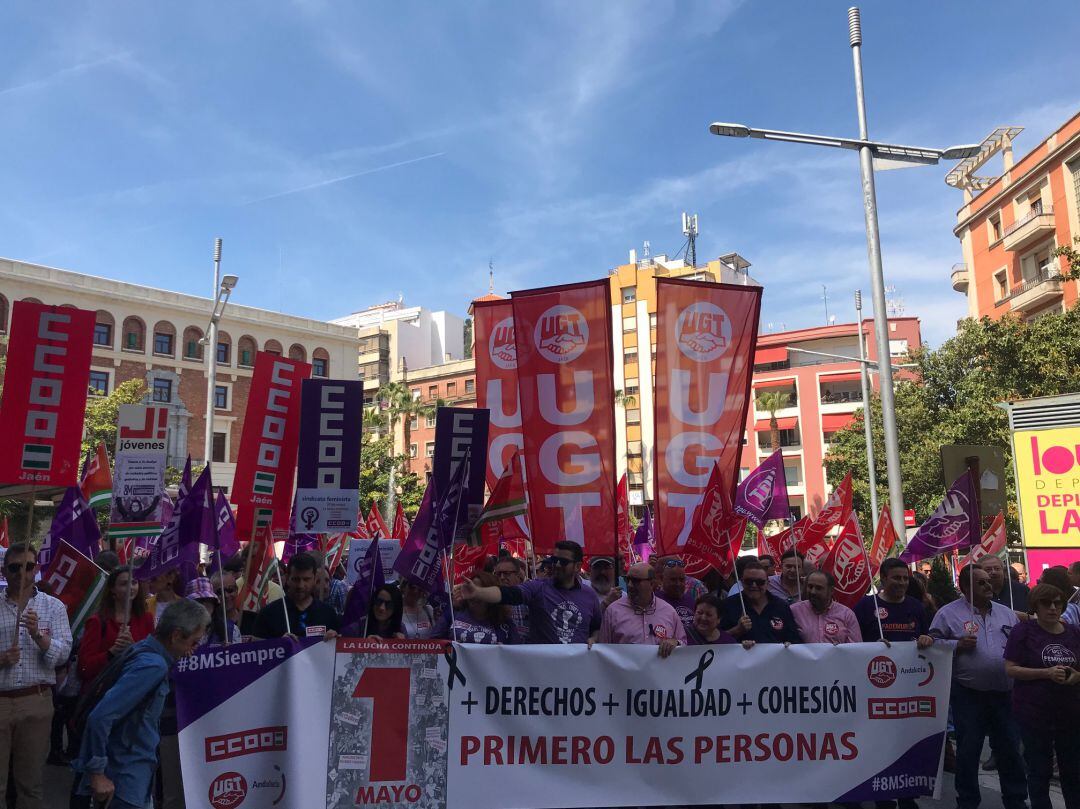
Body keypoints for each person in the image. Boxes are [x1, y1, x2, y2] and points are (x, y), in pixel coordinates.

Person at [72, 600, 208, 809]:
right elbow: (100, 716)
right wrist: (97, 773)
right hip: (124, 779)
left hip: (132, 777)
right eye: (194, 642)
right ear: (176, 635)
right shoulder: (152, 666)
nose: (194, 650)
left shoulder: (144, 649)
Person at [930, 566, 1027, 809]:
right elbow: (932, 644)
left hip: (1005, 694)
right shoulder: (947, 614)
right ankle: (968, 801)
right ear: (965, 587)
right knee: (969, 750)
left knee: (1010, 749)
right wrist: (956, 645)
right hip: (968, 695)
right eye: (981, 583)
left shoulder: (1007, 614)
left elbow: (1020, 644)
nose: (988, 586)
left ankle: (1015, 800)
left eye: (988, 581)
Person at [0, 542, 73, 808]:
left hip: (36, 700)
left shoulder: (54, 607)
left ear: (37, 568)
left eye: (28, 566)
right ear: (4, 571)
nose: (22, 572)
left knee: (30, 785)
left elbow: (64, 654)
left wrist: (38, 636)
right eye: (15, 567)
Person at [1003, 584, 1080, 809]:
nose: (1053, 608)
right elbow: (1011, 669)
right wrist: (1045, 673)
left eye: (1058, 603)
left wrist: (1077, 676)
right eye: (1046, 603)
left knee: (1073, 770)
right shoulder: (1023, 631)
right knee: (1039, 770)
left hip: (1070, 712)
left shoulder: (1074, 632)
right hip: (1034, 712)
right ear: (1035, 606)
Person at [457, 541, 602, 645]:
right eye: (555, 560)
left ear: (577, 566)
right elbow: (508, 594)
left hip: (577, 670)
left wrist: (594, 638)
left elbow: (596, 627)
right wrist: (478, 592)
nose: (557, 565)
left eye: (563, 562)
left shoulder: (590, 595)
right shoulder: (538, 588)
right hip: (541, 670)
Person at [597, 563, 685, 656]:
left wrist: (676, 643)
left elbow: (684, 643)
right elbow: (603, 651)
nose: (630, 585)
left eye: (636, 581)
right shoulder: (613, 611)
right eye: (627, 580)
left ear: (652, 584)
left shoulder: (669, 611)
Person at [252, 552, 340, 639]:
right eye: (296, 579)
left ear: (314, 579)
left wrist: (335, 639)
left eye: (306, 579)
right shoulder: (268, 614)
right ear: (287, 578)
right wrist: (278, 643)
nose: (300, 585)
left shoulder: (328, 614)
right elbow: (256, 645)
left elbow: (341, 645)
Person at [856, 558, 935, 649]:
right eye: (896, 578)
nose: (902, 583)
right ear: (883, 578)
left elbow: (928, 636)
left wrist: (927, 639)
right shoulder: (865, 605)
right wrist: (873, 647)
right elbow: (854, 643)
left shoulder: (916, 606)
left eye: (905, 578)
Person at [721, 559, 800, 644]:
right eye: (749, 581)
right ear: (742, 582)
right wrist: (736, 630)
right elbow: (715, 640)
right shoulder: (728, 605)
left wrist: (788, 644)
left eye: (760, 582)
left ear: (768, 583)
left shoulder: (781, 606)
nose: (754, 585)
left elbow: (794, 639)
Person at [791, 571, 862, 644]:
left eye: (818, 588)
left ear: (831, 591)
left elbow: (856, 647)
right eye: (810, 587)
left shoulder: (847, 615)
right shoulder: (794, 611)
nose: (813, 592)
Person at [450, 572, 518, 644]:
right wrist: (450, 644)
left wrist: (502, 648)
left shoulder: (505, 621)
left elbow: (516, 648)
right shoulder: (453, 612)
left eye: (479, 591)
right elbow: (440, 640)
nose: (473, 596)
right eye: (470, 590)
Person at [185, 577, 240, 646]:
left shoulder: (231, 630)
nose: (203, 606)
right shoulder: (177, 632)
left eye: (208, 601)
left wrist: (230, 651)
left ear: (214, 605)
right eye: (199, 601)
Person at [492, 557, 529, 637]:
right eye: (498, 574)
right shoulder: (490, 599)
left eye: (506, 573)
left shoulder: (528, 599)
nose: (502, 577)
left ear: (518, 575)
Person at [656, 558, 696, 631]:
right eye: (673, 580)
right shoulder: (654, 601)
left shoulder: (690, 600)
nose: (678, 584)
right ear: (661, 579)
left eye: (681, 579)